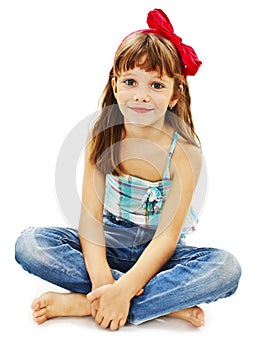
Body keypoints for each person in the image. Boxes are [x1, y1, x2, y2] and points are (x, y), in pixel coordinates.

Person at [15, 9, 241, 331]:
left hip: (160, 256)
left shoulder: (186, 153)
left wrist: (122, 290)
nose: (141, 95)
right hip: (107, 243)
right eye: (131, 81)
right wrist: (104, 280)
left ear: (176, 93)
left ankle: (87, 304)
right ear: (116, 85)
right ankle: (152, 304)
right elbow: (90, 221)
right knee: (30, 244)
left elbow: (166, 239)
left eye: (156, 85)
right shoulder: (102, 134)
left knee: (225, 269)